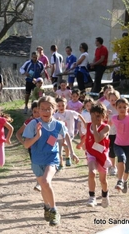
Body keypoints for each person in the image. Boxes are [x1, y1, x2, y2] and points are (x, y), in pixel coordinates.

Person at [22, 96, 79, 226]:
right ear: (38, 110)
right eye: (42, 109)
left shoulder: (58, 124)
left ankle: (54, 210)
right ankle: (46, 206)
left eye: (49, 109)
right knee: (43, 185)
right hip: (37, 160)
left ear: (54, 110)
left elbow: (67, 137)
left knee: (46, 181)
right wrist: (37, 136)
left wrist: (72, 152)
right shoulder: (33, 124)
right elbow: (26, 145)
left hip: (52, 158)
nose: (45, 112)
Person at [85, 102, 111, 208]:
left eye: (99, 116)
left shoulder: (106, 127)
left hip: (102, 155)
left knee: (103, 180)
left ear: (103, 116)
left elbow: (97, 139)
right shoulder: (88, 126)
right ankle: (92, 197)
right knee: (91, 172)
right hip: (92, 154)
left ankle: (105, 195)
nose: (96, 118)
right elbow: (87, 138)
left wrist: (95, 127)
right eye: (93, 115)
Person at [16, 101, 41, 192]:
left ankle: (42, 182)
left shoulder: (46, 121)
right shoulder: (29, 122)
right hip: (32, 149)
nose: (37, 114)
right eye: (35, 112)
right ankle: (39, 183)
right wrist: (24, 143)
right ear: (32, 112)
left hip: (45, 149)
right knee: (37, 166)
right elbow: (18, 133)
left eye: (39, 111)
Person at [53, 97, 86, 168]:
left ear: (66, 105)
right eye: (59, 106)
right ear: (56, 106)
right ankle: (60, 163)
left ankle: (68, 157)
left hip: (70, 133)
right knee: (59, 149)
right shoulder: (55, 116)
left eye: (63, 105)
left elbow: (79, 115)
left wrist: (84, 123)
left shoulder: (70, 112)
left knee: (67, 146)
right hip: (59, 136)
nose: (61, 107)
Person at [106, 90, 120, 176]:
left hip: (120, 132)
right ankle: (113, 166)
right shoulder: (107, 108)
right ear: (108, 99)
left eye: (115, 100)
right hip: (111, 132)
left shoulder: (120, 107)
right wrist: (106, 115)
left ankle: (121, 165)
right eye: (112, 100)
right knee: (111, 150)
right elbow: (104, 121)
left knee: (120, 149)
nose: (114, 102)